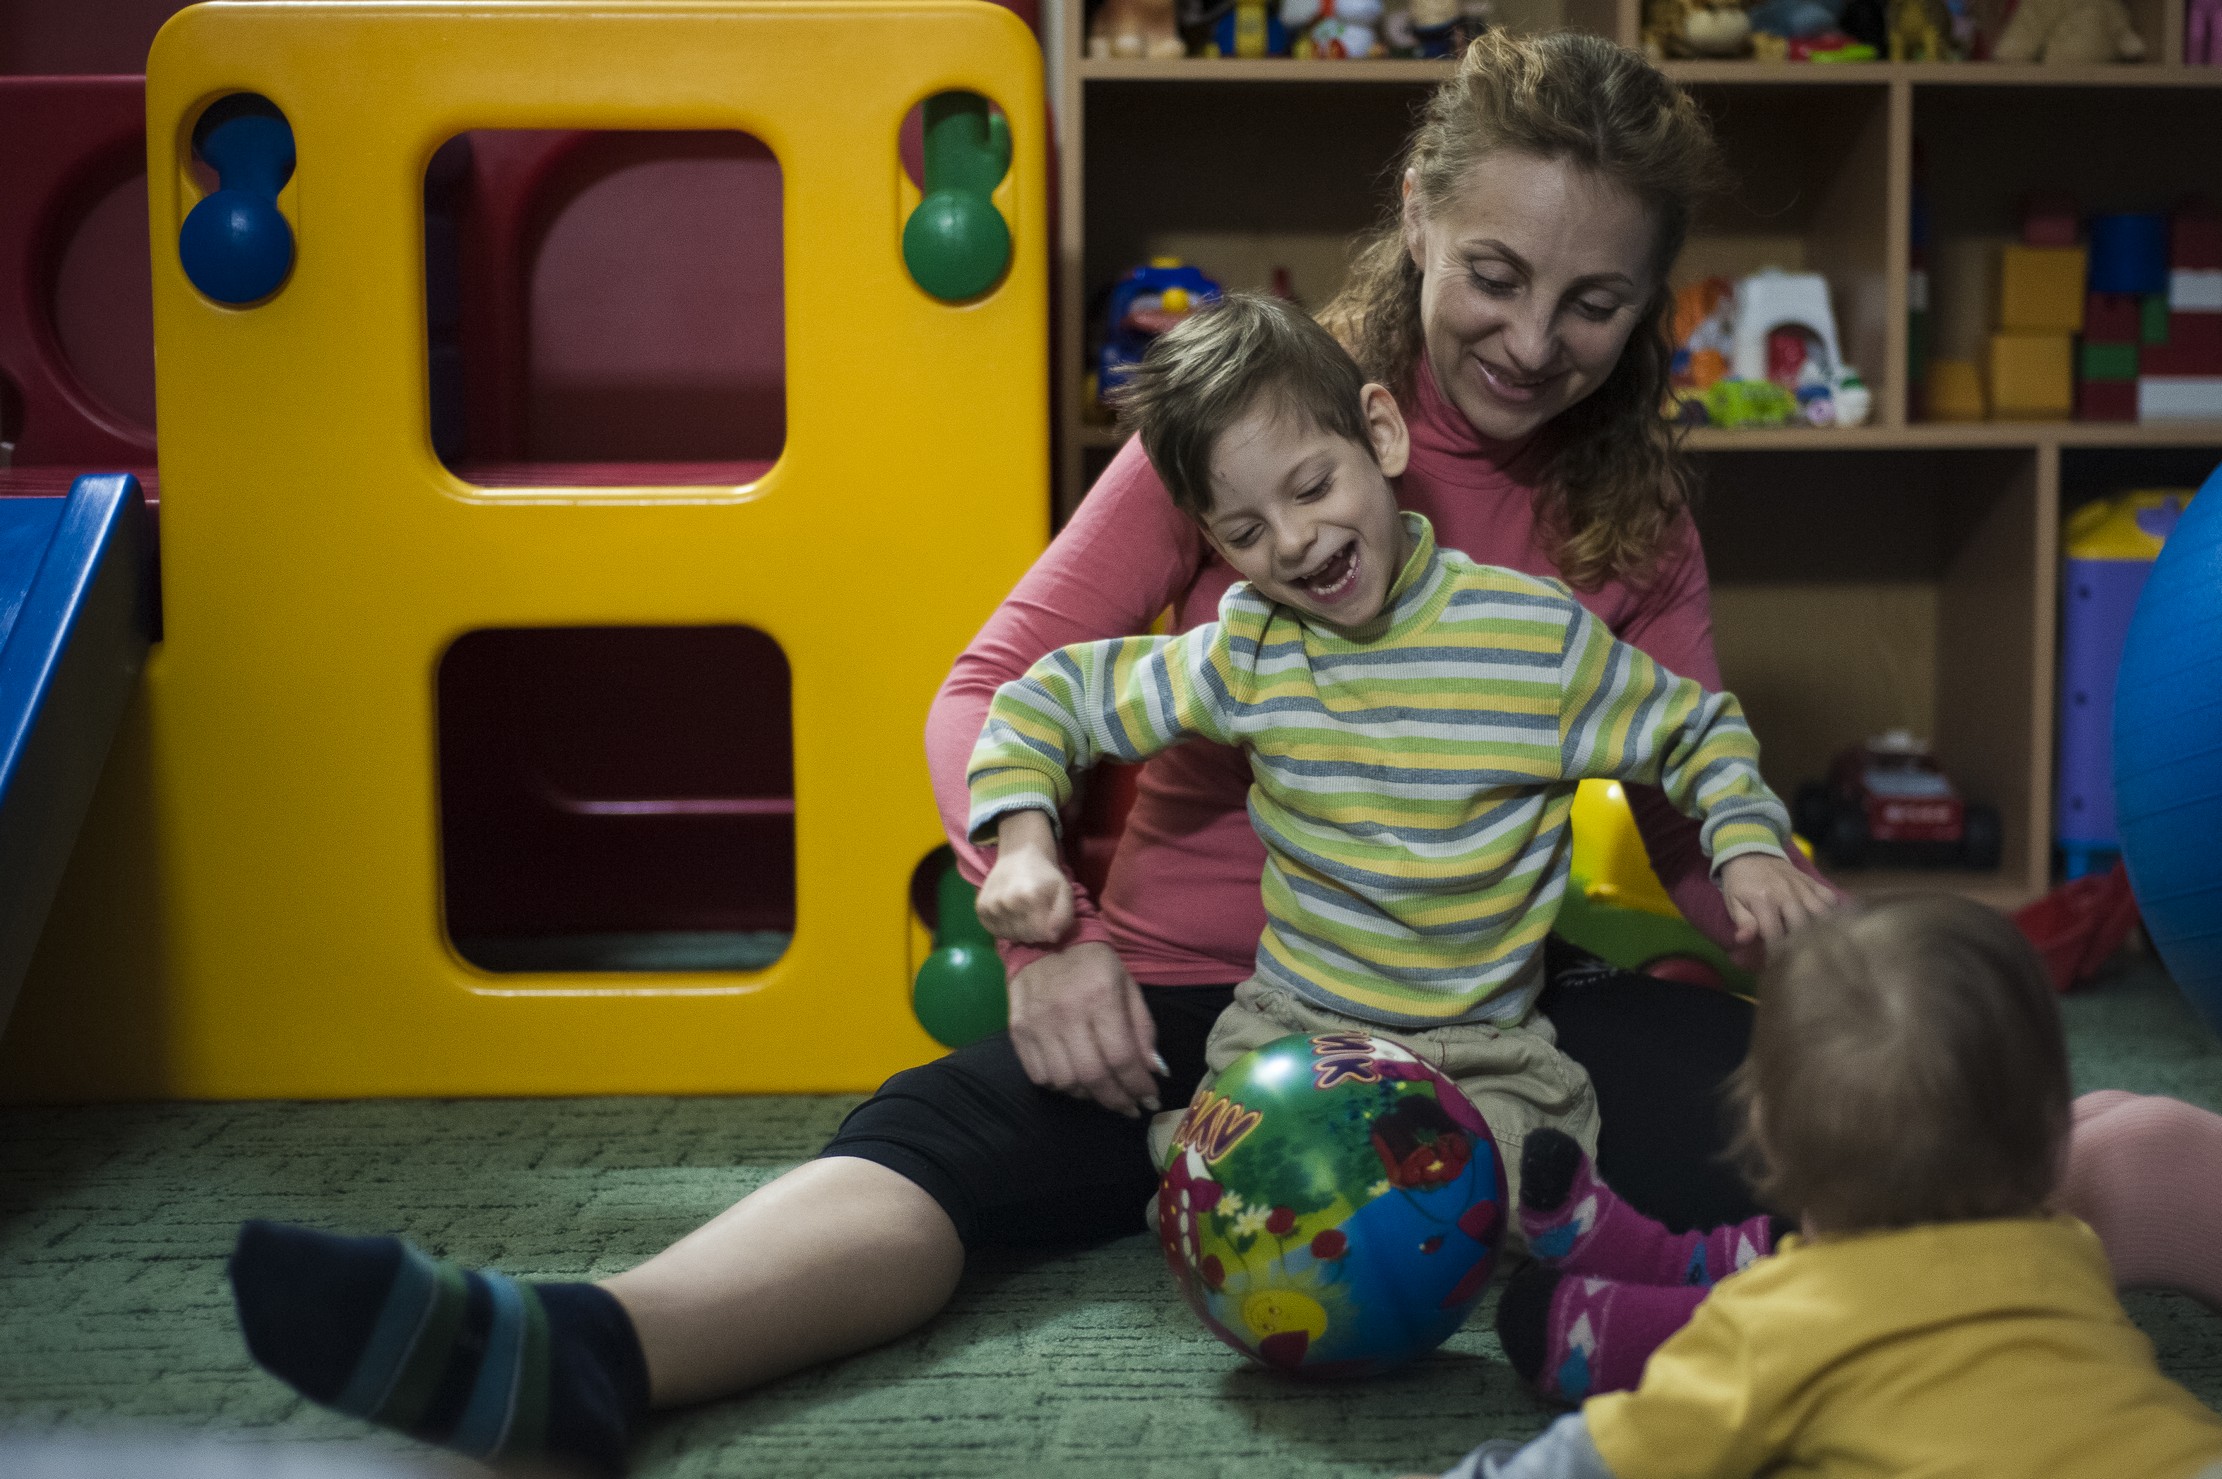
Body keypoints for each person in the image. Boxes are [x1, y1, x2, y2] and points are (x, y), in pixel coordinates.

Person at [218, 29, 2222, 1479]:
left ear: (1649, 309)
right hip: (1186, 996)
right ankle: (592, 1347)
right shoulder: (1262, 432)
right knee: (947, 1142)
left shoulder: (1627, 522)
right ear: (1419, 219)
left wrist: (1801, 917)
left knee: (1865, 1109)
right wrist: (1040, 918)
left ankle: (2136, 1179)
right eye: (1496, 276)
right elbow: (995, 685)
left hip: (1485, 1002)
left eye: (1595, 304)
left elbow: (1694, 790)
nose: (1533, 340)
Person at [966, 291, 1833, 1211]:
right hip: (1295, 1033)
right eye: (1246, 532)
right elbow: (1042, 699)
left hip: (1485, 1048)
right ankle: (1212, 1158)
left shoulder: (1533, 640)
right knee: (1239, 1203)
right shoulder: (1250, 648)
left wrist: (1747, 846)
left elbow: (1697, 730)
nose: (1294, 541)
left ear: (1380, 435)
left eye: (1312, 488)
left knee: (1523, 1196)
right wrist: (1023, 844)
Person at [1420, 897, 2222, 1479]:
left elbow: (1612, 1453)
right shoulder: (2066, 1247)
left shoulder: (1770, 1323)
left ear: (1765, 1135)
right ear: (2050, 1139)